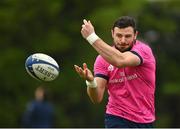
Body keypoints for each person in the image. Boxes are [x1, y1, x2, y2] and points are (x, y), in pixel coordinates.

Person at [74, 16, 156, 128]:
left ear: (135, 35)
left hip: (144, 120)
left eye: (127, 36)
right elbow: (96, 98)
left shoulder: (143, 51)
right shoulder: (102, 59)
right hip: (116, 117)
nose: (123, 40)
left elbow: (120, 60)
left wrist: (91, 37)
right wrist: (90, 81)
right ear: (112, 33)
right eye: (119, 35)